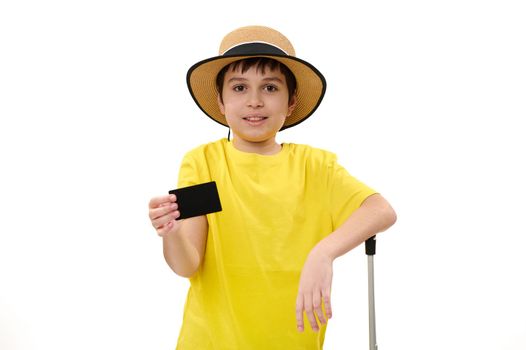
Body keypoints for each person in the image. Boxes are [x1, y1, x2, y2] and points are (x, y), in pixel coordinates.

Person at [148, 25, 396, 349]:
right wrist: (172, 232)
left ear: (290, 102)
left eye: (269, 87)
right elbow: (187, 264)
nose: (254, 101)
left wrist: (324, 253)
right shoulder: (203, 163)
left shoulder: (315, 167)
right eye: (239, 88)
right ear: (221, 102)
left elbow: (380, 211)